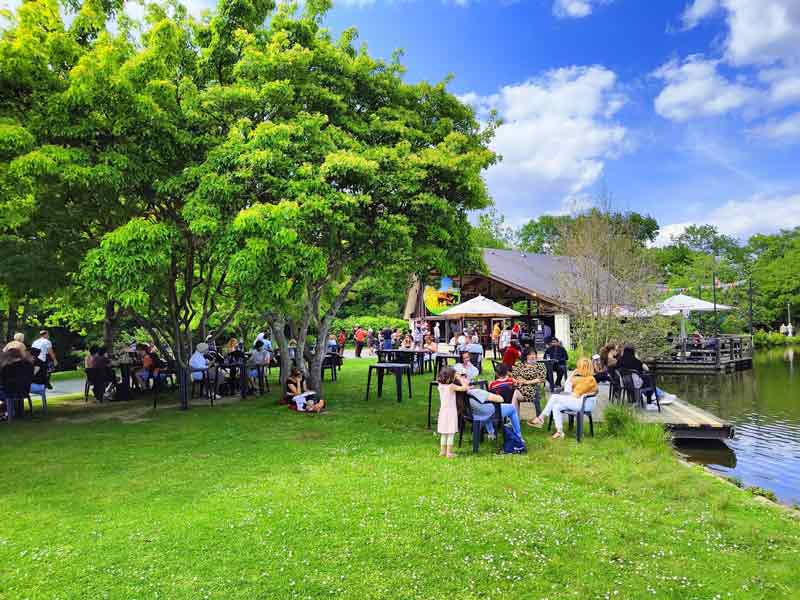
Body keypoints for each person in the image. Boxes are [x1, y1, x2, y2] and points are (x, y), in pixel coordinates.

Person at [529, 357, 598, 438]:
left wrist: (564, 395)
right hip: (579, 401)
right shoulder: (581, 378)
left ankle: (541, 418)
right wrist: (571, 376)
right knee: (556, 406)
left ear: (584, 368)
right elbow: (568, 390)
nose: (577, 369)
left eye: (579, 367)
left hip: (585, 404)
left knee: (555, 397)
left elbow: (574, 395)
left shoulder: (590, 379)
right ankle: (560, 431)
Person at [436, 367, 468, 458]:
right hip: (451, 412)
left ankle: (442, 451)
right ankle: (449, 453)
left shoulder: (440, 386)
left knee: (444, 432)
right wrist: (459, 378)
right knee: (450, 432)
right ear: (450, 378)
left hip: (443, 411)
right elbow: (465, 388)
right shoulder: (452, 387)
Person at [511, 348, 547, 415]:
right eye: (530, 354)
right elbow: (514, 375)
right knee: (512, 391)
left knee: (516, 393)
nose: (532, 356)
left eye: (534, 354)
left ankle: (513, 418)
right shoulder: (520, 365)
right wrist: (519, 380)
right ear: (525, 356)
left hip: (532, 387)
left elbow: (541, 379)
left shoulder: (540, 366)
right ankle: (514, 418)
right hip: (520, 386)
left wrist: (527, 382)